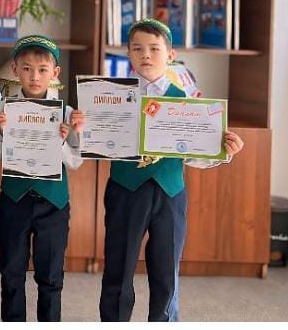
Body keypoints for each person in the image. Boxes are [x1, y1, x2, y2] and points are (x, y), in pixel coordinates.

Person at [99, 18, 244, 322]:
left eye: (154, 49)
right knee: (118, 270)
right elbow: (97, 141)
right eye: (137, 49)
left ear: (171, 55)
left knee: (166, 274)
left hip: (170, 194)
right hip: (125, 191)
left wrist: (223, 152)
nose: (146, 55)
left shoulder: (187, 101)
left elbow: (195, 155)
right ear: (128, 54)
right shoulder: (112, 97)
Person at [0, 35, 85, 321]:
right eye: (27, 69)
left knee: (51, 276)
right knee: (11, 273)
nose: (34, 76)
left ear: (55, 73)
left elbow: (77, 161)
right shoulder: (4, 109)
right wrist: (4, 134)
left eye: (42, 70)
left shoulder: (67, 113)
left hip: (53, 204)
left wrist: (62, 142)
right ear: (15, 70)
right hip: (14, 200)